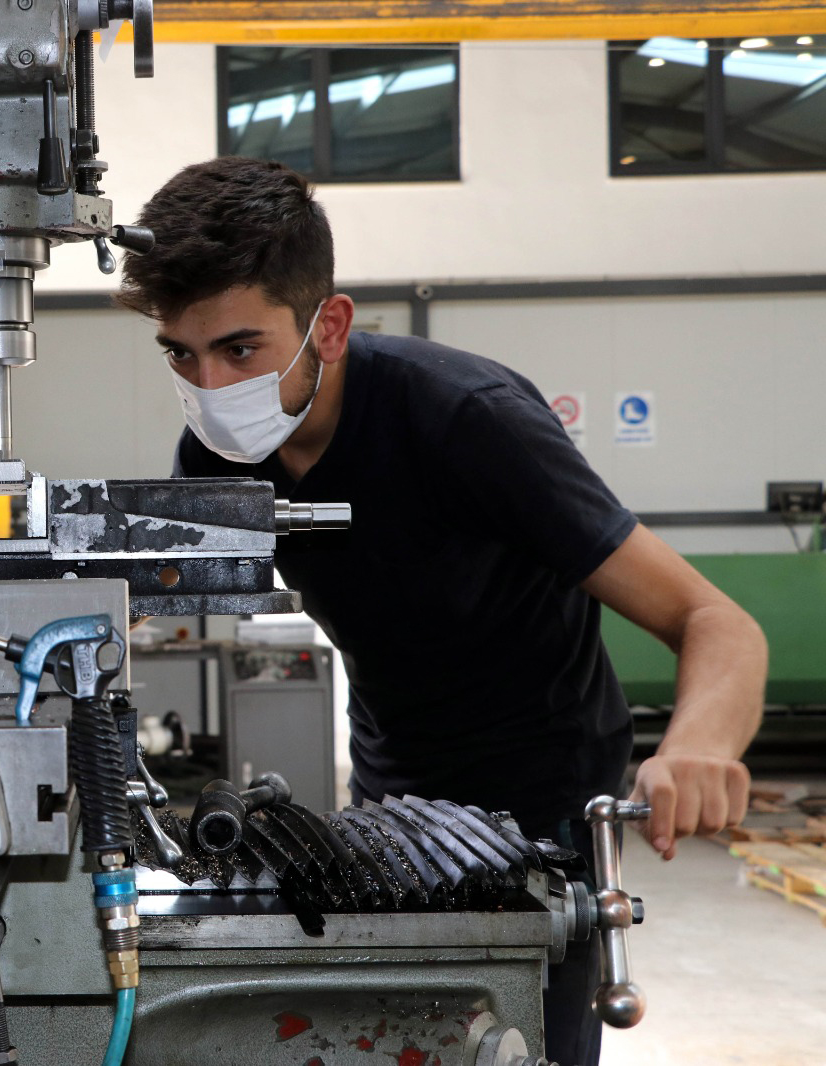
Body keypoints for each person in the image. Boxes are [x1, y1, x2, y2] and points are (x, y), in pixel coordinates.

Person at [118, 156, 766, 1066]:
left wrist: (700, 745)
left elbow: (715, 621)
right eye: (180, 355)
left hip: (546, 791)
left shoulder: (469, 419)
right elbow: (132, 606)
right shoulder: (218, 454)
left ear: (328, 326)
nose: (212, 389)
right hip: (396, 792)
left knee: (524, 1038)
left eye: (240, 350)